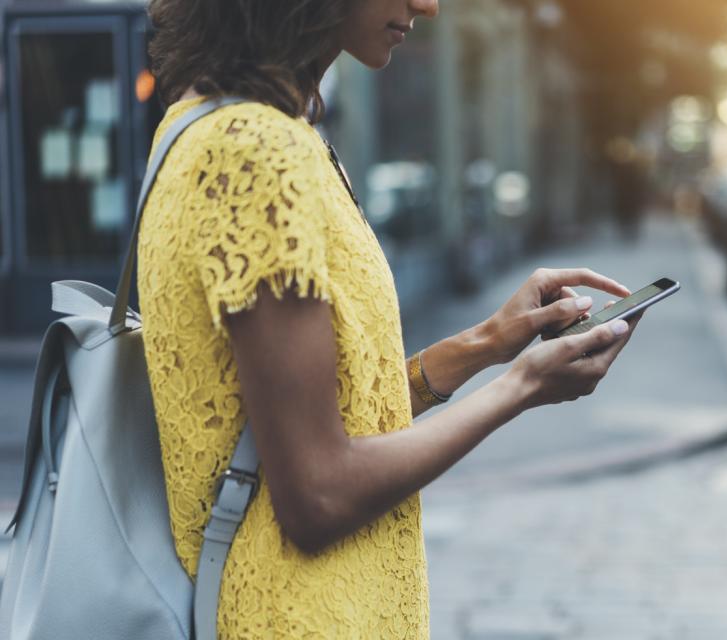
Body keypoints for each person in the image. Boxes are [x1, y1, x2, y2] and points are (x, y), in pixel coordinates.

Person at [140, 0, 642, 637]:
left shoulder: (214, 124)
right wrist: (522, 387)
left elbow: (316, 421)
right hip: (299, 619)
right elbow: (317, 494)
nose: (428, 5)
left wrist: (488, 342)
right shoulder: (255, 152)